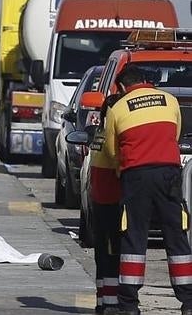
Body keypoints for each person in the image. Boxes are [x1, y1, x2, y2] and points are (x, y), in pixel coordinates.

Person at [104, 64, 192, 315]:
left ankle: (129, 305)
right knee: (176, 237)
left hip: (136, 176)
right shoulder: (170, 100)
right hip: (169, 174)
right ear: (145, 80)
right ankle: (188, 302)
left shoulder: (118, 108)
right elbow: (175, 135)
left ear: (121, 87)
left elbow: (112, 152)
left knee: (134, 237)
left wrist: (123, 170)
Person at [89, 94, 123, 315]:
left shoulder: (98, 136)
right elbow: (120, 167)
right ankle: (111, 303)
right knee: (113, 255)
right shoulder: (111, 140)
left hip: (98, 204)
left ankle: (102, 301)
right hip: (112, 204)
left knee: (101, 254)